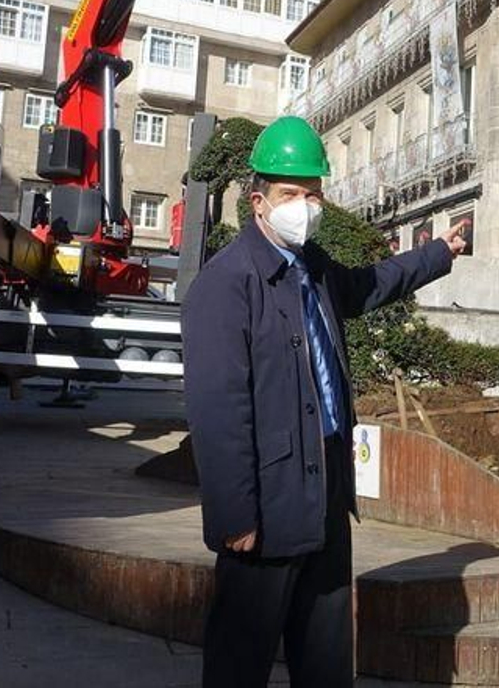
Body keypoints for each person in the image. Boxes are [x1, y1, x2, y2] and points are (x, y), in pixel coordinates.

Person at [181, 116, 467, 687]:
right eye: (291, 194)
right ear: (259, 202)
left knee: (326, 658)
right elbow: (218, 412)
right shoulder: (226, 284)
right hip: (266, 504)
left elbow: (369, 285)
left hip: (326, 488)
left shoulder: (311, 271)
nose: (304, 206)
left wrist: (437, 253)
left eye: (313, 193)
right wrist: (235, 514)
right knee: (241, 661)